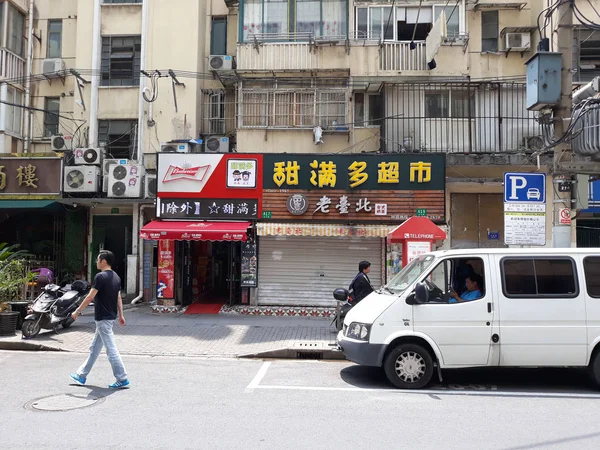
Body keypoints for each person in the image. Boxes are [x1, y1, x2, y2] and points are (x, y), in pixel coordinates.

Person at [69, 250, 130, 389]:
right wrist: (121, 315)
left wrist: (77, 311)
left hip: (103, 319)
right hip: (109, 317)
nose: (96, 262)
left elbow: (90, 297)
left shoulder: (100, 277)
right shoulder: (116, 277)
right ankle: (81, 375)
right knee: (94, 349)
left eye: (97, 259)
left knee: (111, 350)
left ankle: (122, 378)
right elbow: (118, 297)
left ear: (103, 261)